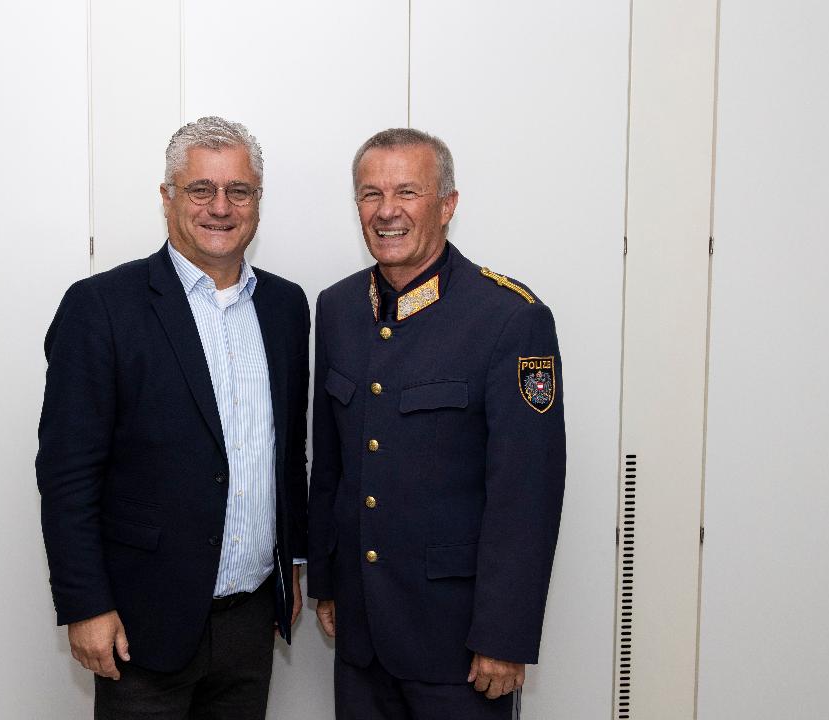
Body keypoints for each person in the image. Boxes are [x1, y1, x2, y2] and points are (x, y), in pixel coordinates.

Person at [36, 116, 310, 720]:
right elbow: (67, 473)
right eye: (200, 189)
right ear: (167, 197)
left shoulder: (286, 307)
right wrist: (85, 604)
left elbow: (287, 451)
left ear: (258, 200)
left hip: (250, 620)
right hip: (141, 621)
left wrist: (290, 564)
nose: (221, 207)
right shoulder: (101, 307)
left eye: (239, 190)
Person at [307, 128, 565, 719]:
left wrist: (504, 635)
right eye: (371, 194)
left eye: (407, 192)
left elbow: (526, 493)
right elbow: (332, 464)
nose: (386, 211)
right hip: (361, 634)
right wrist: (328, 581)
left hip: (460, 643)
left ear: (447, 205)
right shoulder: (338, 308)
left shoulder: (508, 318)